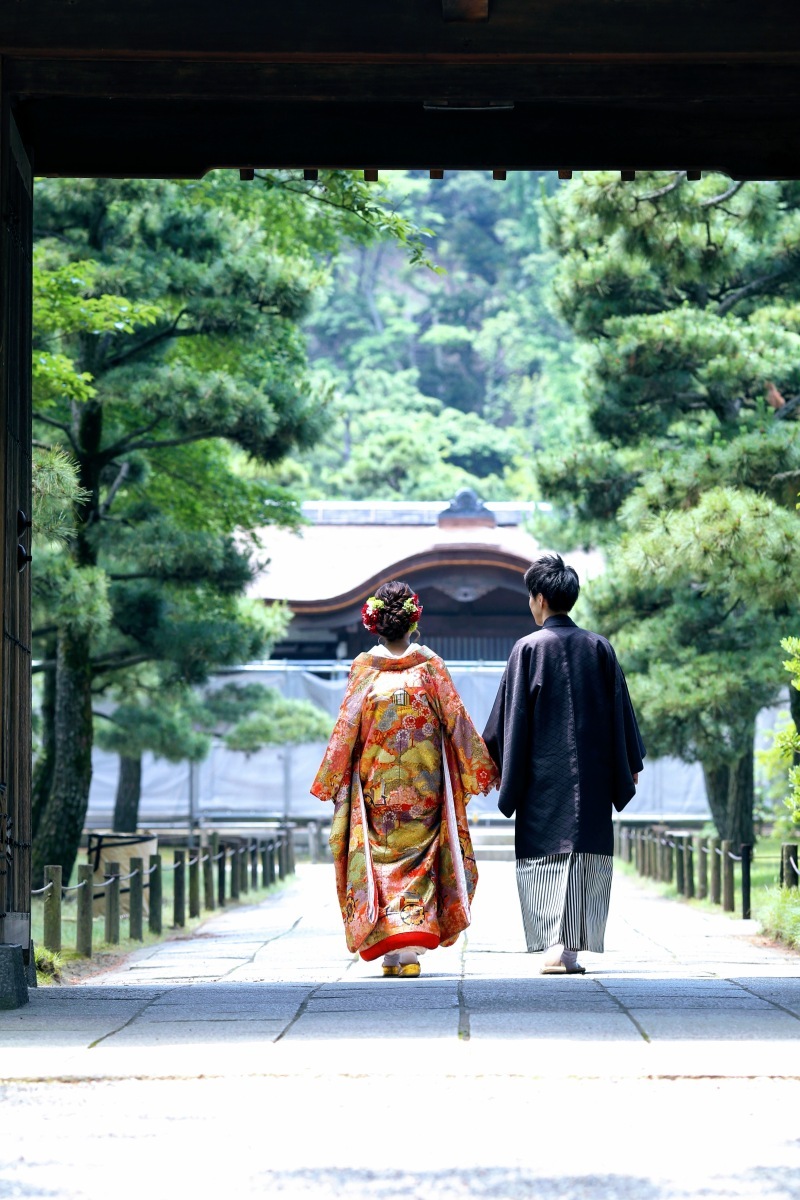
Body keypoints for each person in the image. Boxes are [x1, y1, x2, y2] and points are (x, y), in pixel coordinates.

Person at [312, 579, 498, 978]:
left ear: (375, 623)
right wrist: (481, 769)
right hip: (422, 786)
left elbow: (346, 727)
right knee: (420, 863)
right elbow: (457, 722)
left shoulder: (365, 670)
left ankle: (392, 951)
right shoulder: (430, 667)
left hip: (377, 787)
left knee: (380, 862)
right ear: (413, 621)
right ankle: (409, 949)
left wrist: (330, 779)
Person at [482, 553, 645, 975]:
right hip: (590, 777)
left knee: (547, 857)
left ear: (538, 598)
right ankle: (567, 947)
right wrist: (628, 763)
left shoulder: (528, 649)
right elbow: (621, 715)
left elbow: (508, 718)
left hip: (540, 778)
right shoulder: (599, 647)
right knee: (584, 854)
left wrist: (496, 764)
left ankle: (556, 945)